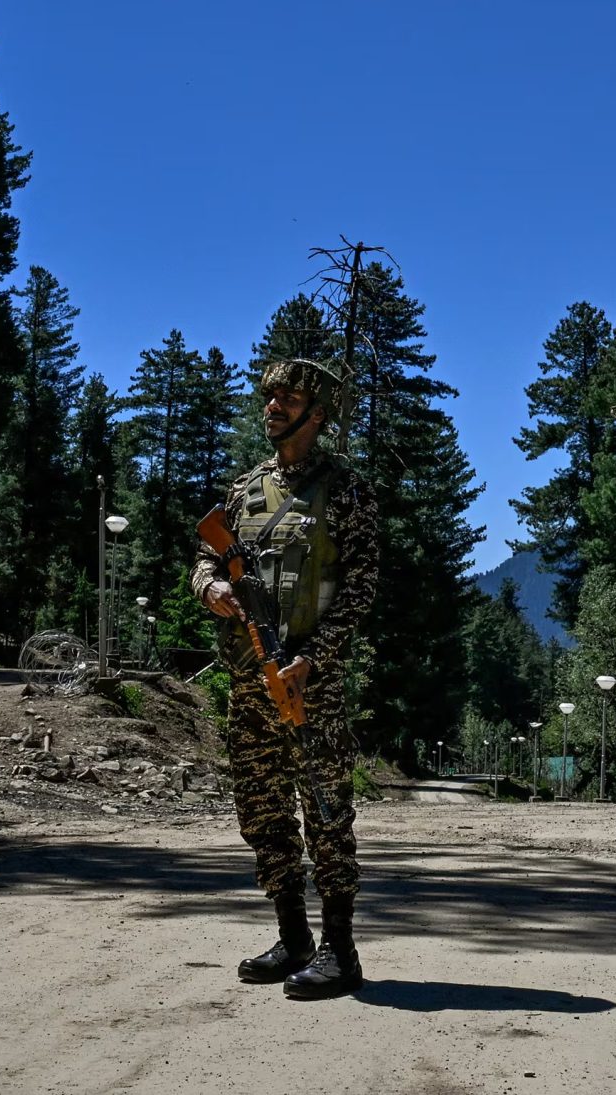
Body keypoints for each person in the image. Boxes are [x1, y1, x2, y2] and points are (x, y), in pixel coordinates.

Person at [192, 356, 377, 1000]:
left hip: (309, 687)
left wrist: (313, 658)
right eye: (269, 397)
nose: (272, 407)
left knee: (326, 813)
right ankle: (293, 937)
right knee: (262, 811)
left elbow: (360, 589)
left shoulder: (346, 491)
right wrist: (210, 587)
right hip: (250, 684)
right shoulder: (245, 490)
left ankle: (340, 951)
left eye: (288, 399)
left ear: (317, 414)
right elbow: (205, 557)